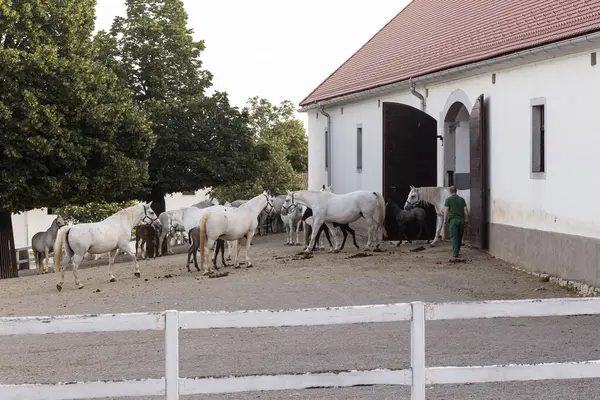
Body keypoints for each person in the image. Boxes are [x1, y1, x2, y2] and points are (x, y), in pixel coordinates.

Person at [443, 186, 469, 258]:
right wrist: (467, 219)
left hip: (453, 221)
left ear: (450, 192)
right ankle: (457, 250)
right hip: (461, 220)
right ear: (456, 191)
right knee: (460, 236)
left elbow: (446, 210)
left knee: (454, 237)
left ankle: (455, 252)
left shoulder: (448, 200)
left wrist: (445, 220)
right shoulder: (462, 199)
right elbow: (466, 211)